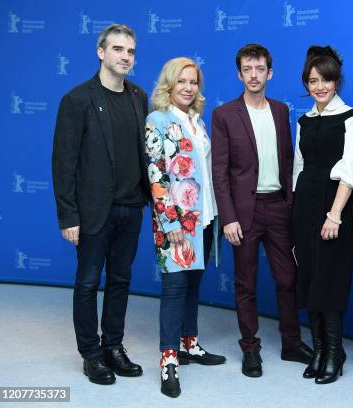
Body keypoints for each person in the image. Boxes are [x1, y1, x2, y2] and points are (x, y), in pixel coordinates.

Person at [52, 24, 148, 385]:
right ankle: (91, 355)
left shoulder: (139, 97)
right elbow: (63, 164)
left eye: (131, 51)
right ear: (101, 52)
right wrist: (68, 216)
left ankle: (114, 347)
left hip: (131, 208)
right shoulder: (77, 100)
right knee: (88, 283)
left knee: (121, 281)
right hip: (93, 212)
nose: (126, 56)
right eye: (119, 49)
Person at [211, 43, 312, 378]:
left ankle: (292, 343)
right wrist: (228, 217)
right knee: (246, 283)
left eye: (259, 69)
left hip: (278, 207)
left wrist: (289, 204)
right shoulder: (224, 115)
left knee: (287, 278)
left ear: (270, 73)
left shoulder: (282, 111)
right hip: (243, 212)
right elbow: (220, 172)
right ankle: (250, 349)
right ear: (240, 74)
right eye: (247, 70)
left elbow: (288, 162)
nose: (253, 75)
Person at [145, 57, 226, 398]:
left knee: (194, 283)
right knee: (175, 288)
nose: (189, 88)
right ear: (169, 85)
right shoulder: (157, 120)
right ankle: (168, 360)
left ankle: (189, 344)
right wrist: (170, 221)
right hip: (176, 223)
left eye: (193, 82)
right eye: (182, 82)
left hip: (204, 218)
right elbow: (157, 174)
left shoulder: (197, 121)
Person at [292, 46, 353, 385]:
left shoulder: (351, 118)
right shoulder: (303, 121)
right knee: (310, 277)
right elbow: (298, 167)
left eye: (326, 80)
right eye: (313, 81)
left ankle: (335, 352)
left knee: (329, 280)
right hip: (304, 203)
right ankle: (319, 350)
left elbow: (350, 170)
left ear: (336, 81)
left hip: (334, 207)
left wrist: (334, 215)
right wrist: (294, 214)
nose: (320, 87)